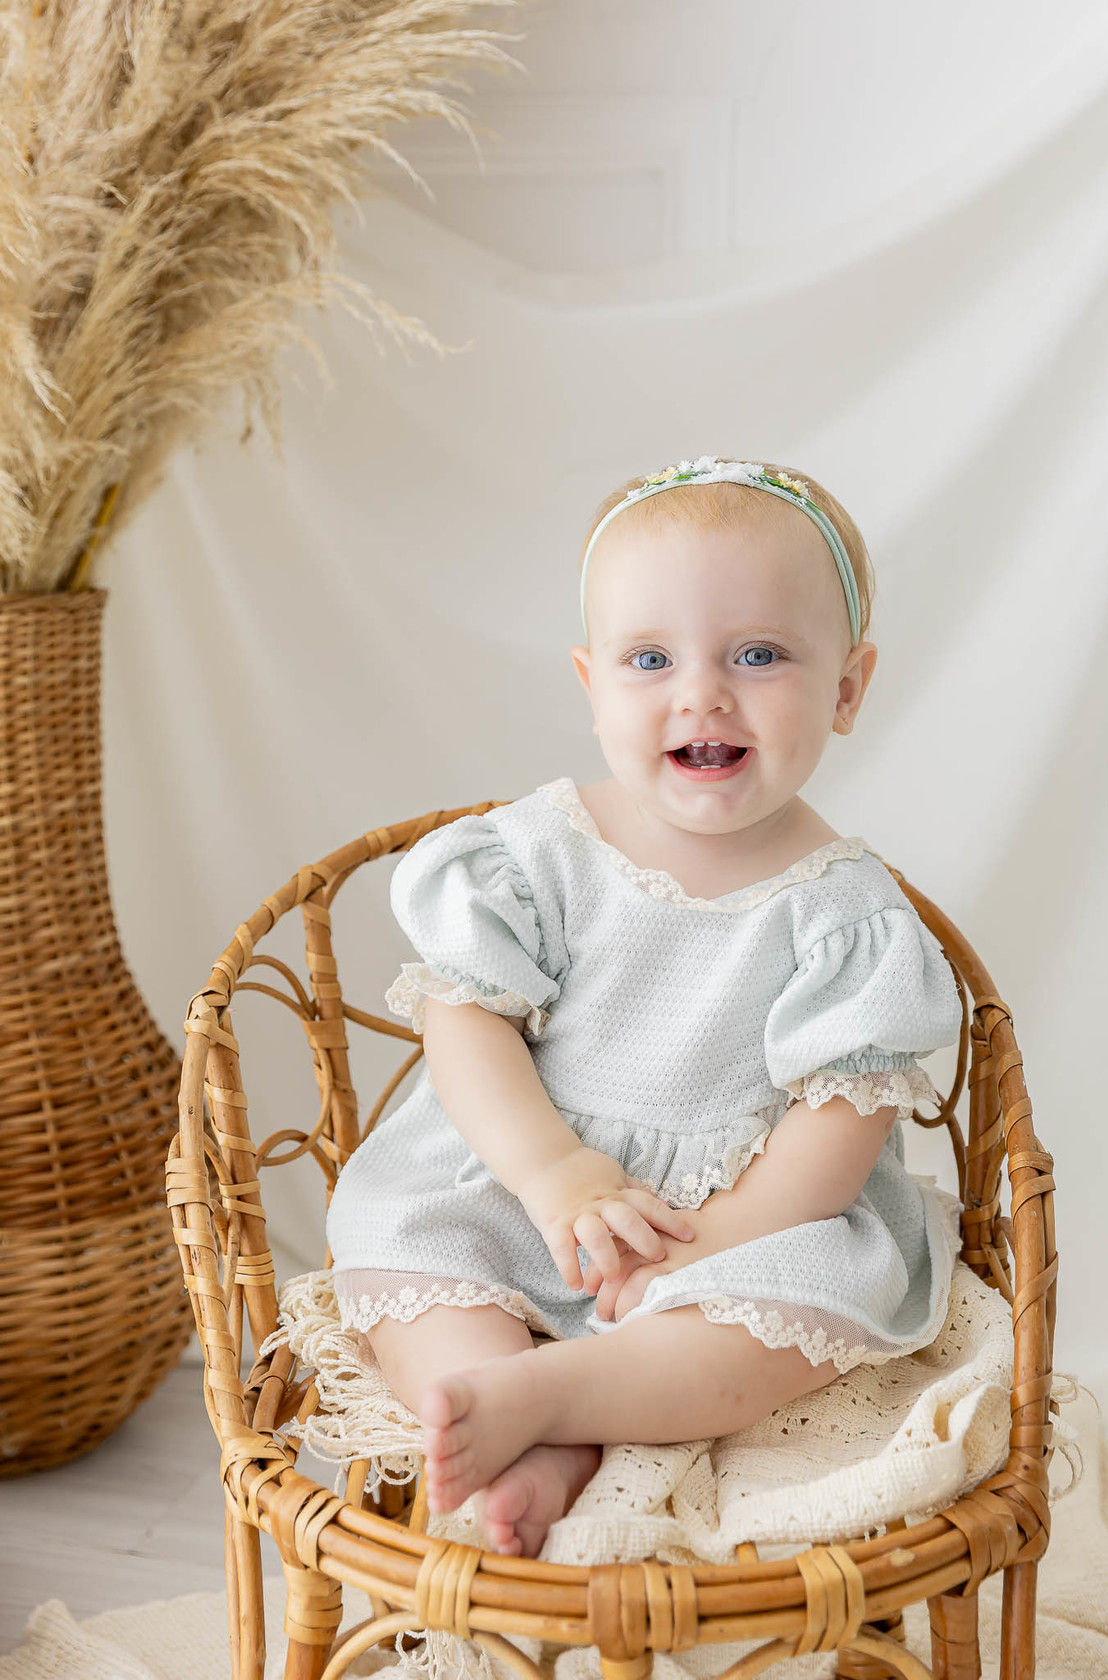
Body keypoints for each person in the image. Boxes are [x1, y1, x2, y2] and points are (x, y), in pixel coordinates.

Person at [326, 455, 963, 1559]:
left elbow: (839, 1130)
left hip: (744, 1219)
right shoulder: (538, 854)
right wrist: (551, 1173)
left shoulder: (844, 912)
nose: (701, 694)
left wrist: (704, 1251)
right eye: (651, 658)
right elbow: (465, 1023)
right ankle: (498, 1406)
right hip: (524, 1184)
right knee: (412, 1247)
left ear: (848, 689)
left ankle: (564, 1399)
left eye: (758, 654)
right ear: (592, 684)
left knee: (789, 1314)